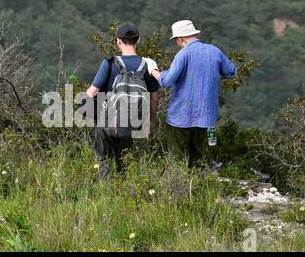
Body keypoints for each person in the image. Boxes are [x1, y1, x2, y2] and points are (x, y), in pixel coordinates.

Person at [151, 20, 237, 166]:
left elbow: (167, 81)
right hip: (206, 117)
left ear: (180, 39)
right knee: (198, 158)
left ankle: (179, 187)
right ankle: (197, 185)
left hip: (181, 116)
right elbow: (231, 71)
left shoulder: (183, 54)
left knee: (177, 159)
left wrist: (153, 70)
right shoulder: (214, 51)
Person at [86, 23, 159, 179]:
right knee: (124, 159)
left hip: (109, 122)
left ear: (118, 42)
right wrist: (150, 122)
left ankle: (106, 187)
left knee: (102, 156)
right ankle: (123, 187)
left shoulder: (110, 63)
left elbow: (92, 93)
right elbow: (154, 97)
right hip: (133, 122)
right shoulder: (146, 65)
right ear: (137, 40)